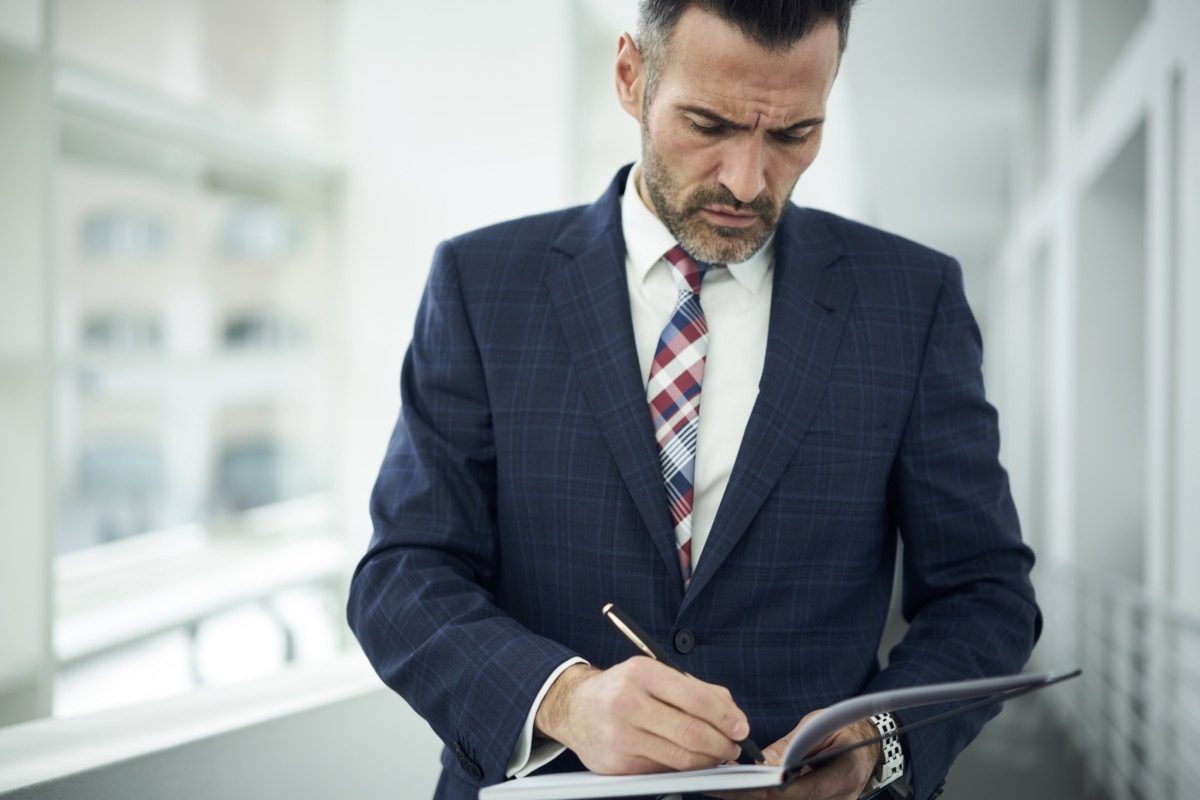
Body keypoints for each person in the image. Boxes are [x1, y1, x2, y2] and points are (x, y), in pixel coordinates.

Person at [347, 2, 1042, 799]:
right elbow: (403, 572)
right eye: (708, 124)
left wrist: (878, 746)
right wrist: (564, 700)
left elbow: (985, 592)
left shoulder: (911, 302)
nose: (747, 181)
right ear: (629, 77)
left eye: (792, 135)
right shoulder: (482, 285)